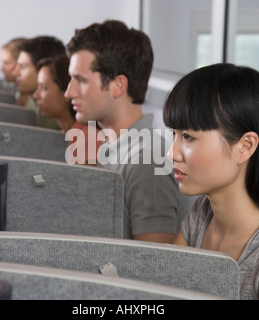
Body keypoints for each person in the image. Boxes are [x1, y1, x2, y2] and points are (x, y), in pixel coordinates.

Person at [164, 63, 259, 300]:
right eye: (174, 135)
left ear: (245, 147)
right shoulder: (202, 214)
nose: (171, 153)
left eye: (188, 137)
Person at [65, 20, 190, 243]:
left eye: (80, 80)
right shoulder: (118, 150)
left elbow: (153, 265)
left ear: (118, 86)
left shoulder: (145, 160)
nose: (68, 92)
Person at [33, 54, 103, 164]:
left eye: (44, 88)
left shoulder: (87, 140)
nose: (35, 95)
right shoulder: (66, 133)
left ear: (67, 91)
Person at [13, 36, 66, 130]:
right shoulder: (31, 101)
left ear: (42, 67)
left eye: (23, 67)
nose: (15, 73)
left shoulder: (60, 114)